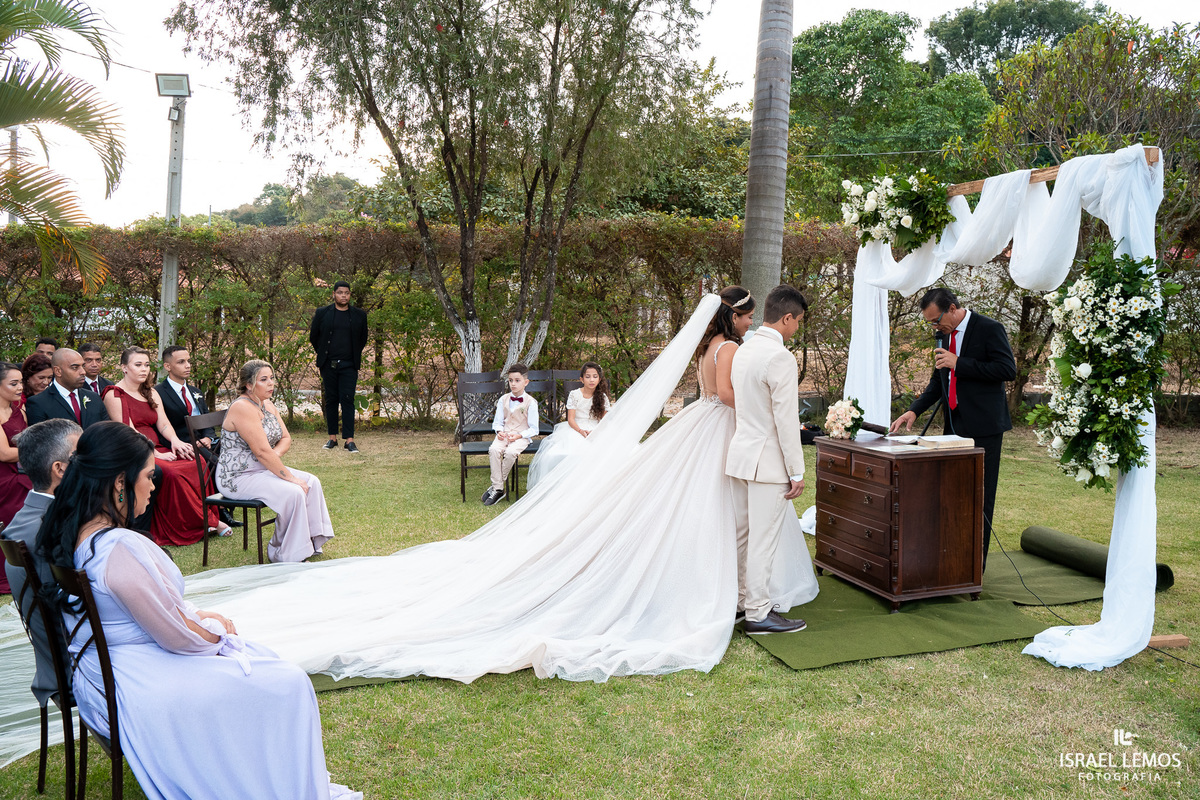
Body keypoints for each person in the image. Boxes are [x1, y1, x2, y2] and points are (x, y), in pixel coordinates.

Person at [169, 290, 817, 686]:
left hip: (704, 432)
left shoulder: (709, 347)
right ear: (736, 317)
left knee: (700, 513)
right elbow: (728, 399)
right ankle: (735, 594)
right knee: (709, 515)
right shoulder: (728, 353)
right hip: (719, 432)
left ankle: (737, 589)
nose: (748, 322)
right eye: (746, 315)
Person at [34, 422, 360, 800]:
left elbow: (153, 614)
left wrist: (200, 620)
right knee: (287, 681)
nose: (154, 486)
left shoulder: (78, 533)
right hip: (132, 684)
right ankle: (280, 786)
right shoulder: (117, 547)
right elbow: (176, 637)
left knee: (261, 666)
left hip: (105, 674)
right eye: (148, 476)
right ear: (120, 483)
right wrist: (217, 634)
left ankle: (258, 771)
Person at [889, 287, 1017, 568]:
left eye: (936, 320)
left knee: (979, 497)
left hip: (984, 427)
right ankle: (948, 559)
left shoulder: (989, 329)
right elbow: (939, 380)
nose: (935, 327)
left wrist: (961, 363)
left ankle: (973, 568)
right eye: (930, 323)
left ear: (952, 308)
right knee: (949, 495)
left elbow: (1007, 370)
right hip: (953, 425)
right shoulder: (944, 336)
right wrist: (913, 410)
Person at [726, 285, 811, 635]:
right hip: (768, 462)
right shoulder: (780, 357)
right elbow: (786, 420)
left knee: (745, 537)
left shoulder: (744, 350)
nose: (797, 329)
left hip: (742, 456)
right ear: (787, 318)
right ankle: (759, 614)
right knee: (762, 540)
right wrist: (797, 470)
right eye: (798, 322)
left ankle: (743, 601)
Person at [102, 347, 224, 545]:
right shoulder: (114, 394)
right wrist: (155, 453)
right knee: (173, 473)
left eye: (147, 365)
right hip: (134, 450)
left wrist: (176, 442)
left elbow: (163, 423)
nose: (144, 369)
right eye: (138, 365)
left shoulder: (150, 391)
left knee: (197, 461)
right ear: (124, 367)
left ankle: (197, 521)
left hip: (158, 445)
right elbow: (129, 431)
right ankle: (209, 521)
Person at [216, 360, 334, 562]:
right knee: (294, 490)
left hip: (263, 468)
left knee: (312, 481)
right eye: (264, 379)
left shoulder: (268, 405)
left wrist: (274, 458)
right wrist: (288, 476)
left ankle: (310, 542)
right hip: (237, 477)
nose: (271, 383)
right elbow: (262, 451)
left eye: (271, 378)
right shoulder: (242, 407)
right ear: (249, 384)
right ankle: (283, 552)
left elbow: (286, 438)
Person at [1, 419, 81, 702]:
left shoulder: (25, 519)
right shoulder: (53, 531)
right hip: (81, 671)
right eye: (81, 454)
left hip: (56, 666)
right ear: (60, 469)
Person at [527, 362, 612, 489]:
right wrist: (580, 430)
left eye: (595, 376)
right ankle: (571, 485)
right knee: (570, 450)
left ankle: (599, 484)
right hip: (576, 427)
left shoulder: (602, 397)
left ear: (599, 379)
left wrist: (597, 432)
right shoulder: (574, 394)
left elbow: (604, 420)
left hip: (597, 428)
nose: (591, 380)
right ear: (581, 379)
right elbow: (570, 419)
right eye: (588, 376)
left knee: (608, 449)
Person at [309, 281, 368, 453]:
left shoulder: (359, 315)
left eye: (347, 293)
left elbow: (362, 338)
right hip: (328, 365)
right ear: (334, 294)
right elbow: (314, 336)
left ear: (350, 295)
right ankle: (332, 438)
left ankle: (349, 441)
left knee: (348, 399)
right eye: (340, 292)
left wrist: (351, 355)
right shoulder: (323, 313)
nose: (344, 296)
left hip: (349, 365)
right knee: (331, 400)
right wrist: (324, 356)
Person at [483, 363, 540, 506]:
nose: (513, 384)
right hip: (505, 433)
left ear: (526, 382)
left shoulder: (531, 402)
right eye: (510, 380)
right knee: (494, 449)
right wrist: (499, 431)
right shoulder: (503, 399)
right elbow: (497, 422)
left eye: (517, 380)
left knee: (509, 453)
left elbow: (534, 429)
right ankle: (499, 488)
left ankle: (496, 487)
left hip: (521, 437)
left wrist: (520, 435)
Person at [0, 362, 32, 593]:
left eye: (21, 382)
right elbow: (4, 453)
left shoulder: (19, 408)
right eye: (14, 383)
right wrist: (41, 450)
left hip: (22, 468)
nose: (20, 387)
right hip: (4, 476)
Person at [25, 348, 110, 428]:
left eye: (83, 366)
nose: (83, 372)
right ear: (58, 371)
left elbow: (106, 431)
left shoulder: (94, 398)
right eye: (75, 368)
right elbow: (40, 440)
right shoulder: (39, 403)